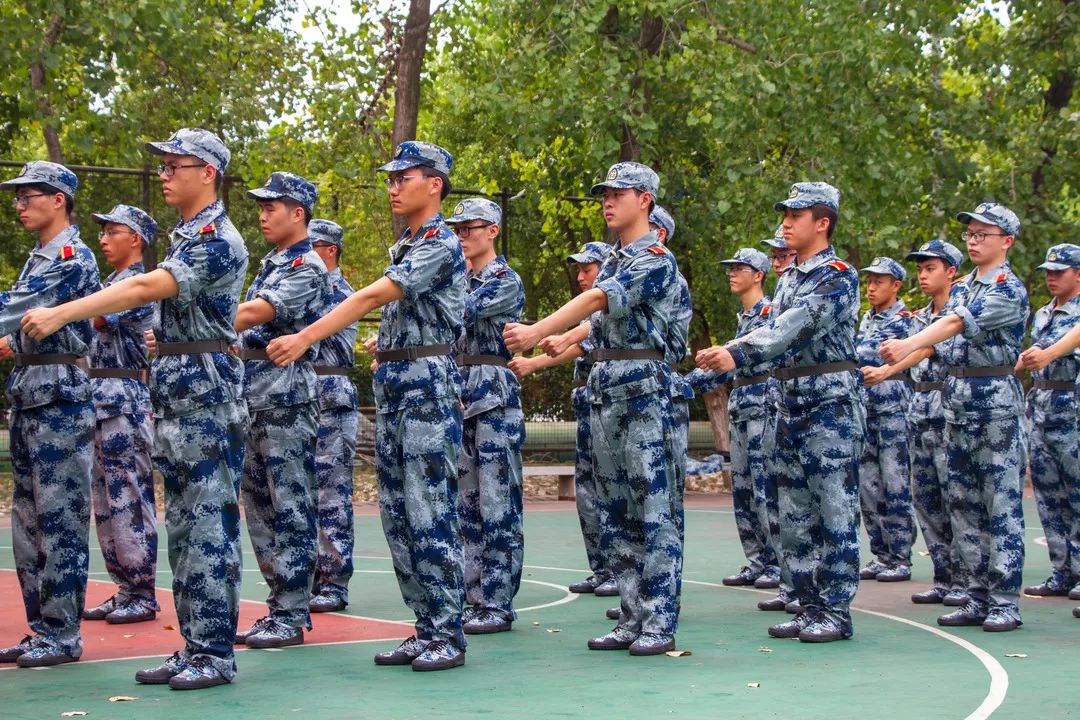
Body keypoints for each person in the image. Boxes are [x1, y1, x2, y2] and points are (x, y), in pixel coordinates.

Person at [23, 127, 250, 687]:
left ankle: (215, 652)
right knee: (183, 526)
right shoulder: (188, 235)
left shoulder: (218, 237)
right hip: (179, 393)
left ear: (209, 173)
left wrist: (61, 313)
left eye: (177, 165)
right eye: (164, 165)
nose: (166, 173)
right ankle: (196, 644)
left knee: (208, 526)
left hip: (206, 395)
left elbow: (147, 288)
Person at [265, 141, 468, 672]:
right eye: (392, 177)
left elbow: (370, 298)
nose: (394, 185)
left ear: (436, 184)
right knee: (398, 514)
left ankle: (447, 631)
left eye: (406, 176)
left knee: (429, 512)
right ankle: (424, 626)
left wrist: (305, 336)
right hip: (399, 390)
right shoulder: (406, 244)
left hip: (426, 393)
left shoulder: (441, 244)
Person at [505, 161, 685, 656]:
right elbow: (599, 316)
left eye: (619, 192)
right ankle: (631, 617)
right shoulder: (616, 259)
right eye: (605, 191)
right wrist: (565, 339)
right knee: (617, 512)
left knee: (654, 511)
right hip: (607, 394)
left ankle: (658, 622)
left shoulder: (654, 258)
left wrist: (539, 330)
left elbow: (599, 300)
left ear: (644, 199)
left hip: (644, 395)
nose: (608, 199)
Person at [696, 182, 864, 643]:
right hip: (788, 402)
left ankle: (835, 610)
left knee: (833, 509)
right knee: (793, 511)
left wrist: (738, 352)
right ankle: (808, 604)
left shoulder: (837, 275)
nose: (785, 223)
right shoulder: (790, 278)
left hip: (828, 403)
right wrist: (716, 362)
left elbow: (792, 327)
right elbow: (770, 331)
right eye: (785, 214)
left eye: (796, 215)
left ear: (822, 222)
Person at [881, 202, 1029, 632]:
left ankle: (1004, 601)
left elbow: (952, 326)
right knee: (963, 504)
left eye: (985, 233)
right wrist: (902, 355)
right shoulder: (965, 287)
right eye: (971, 233)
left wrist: (909, 343)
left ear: (1007, 241)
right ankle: (975, 593)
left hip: (994, 401)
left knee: (1000, 507)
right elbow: (941, 335)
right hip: (956, 402)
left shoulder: (1007, 287)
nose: (975, 239)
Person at [0, 161, 99, 668]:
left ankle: (62, 633)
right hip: (31, 391)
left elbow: (14, 309)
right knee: (29, 521)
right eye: (16, 197)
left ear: (58, 199)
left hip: (59, 398)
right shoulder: (38, 258)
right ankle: (41, 628)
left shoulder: (69, 256)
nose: (19, 204)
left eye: (29, 195)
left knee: (59, 519)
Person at [233, 173, 331, 649]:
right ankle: (279, 604)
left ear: (299, 213)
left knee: (290, 504)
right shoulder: (272, 261)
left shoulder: (307, 265)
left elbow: (258, 313)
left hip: (287, 397)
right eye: (261, 206)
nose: (263, 213)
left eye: (273, 206)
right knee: (258, 503)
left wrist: (202, 318)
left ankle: (292, 612)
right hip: (253, 393)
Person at [509, 242, 618, 598]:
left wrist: (535, 357)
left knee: (611, 489)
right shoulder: (592, 314)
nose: (581, 276)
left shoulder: (610, 308)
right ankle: (602, 568)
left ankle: (619, 569)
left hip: (612, 402)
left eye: (588, 269)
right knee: (588, 489)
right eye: (580, 269)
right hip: (588, 401)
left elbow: (579, 342)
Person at [446, 198, 526, 634]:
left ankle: (496, 601)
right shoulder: (461, 278)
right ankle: (471, 594)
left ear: (492, 230)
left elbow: (458, 313)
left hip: (492, 396)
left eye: (470, 228)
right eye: (457, 230)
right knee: (466, 502)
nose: (462, 236)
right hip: (459, 393)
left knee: (498, 504)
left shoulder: (503, 279)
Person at [81, 204, 159, 625]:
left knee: (128, 496)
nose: (104, 239)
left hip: (123, 397)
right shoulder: (112, 282)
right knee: (106, 501)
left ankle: (142, 590)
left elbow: (91, 319)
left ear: (136, 239)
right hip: (99, 396)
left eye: (114, 232)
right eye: (103, 231)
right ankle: (125, 587)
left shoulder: (135, 285)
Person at [687, 248, 779, 592]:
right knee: (743, 490)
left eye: (741, 268)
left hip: (762, 408)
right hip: (741, 407)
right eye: (731, 267)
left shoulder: (770, 313)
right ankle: (758, 561)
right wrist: (683, 384)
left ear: (758, 275)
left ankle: (776, 563)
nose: (732, 273)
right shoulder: (745, 317)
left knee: (765, 488)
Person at [903, 240, 969, 606]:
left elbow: (928, 350)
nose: (923, 275)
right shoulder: (919, 318)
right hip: (920, 410)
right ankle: (944, 577)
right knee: (926, 498)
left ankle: (965, 579)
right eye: (920, 269)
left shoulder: (960, 315)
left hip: (949, 410)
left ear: (951, 272)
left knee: (955, 498)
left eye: (931, 268)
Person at [1019, 244, 1080, 600]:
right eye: (1048, 271)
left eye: (1060, 271)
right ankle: (1062, 569)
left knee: (1076, 491)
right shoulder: (1043, 313)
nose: (1051, 277)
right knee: (1048, 493)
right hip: (1041, 406)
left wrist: (1048, 354)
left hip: (1070, 408)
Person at [306, 219, 360, 613]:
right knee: (301, 493)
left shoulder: (339, 293)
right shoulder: (303, 287)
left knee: (331, 494)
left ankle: (333, 581)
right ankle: (306, 575)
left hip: (330, 397)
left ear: (330, 251)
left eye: (313, 246)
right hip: (300, 398)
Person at [855, 257, 916, 583]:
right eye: (870, 280)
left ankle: (901, 556)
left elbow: (913, 359)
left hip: (894, 413)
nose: (872, 286)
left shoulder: (906, 321)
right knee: (868, 486)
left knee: (895, 485)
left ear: (896, 285)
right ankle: (881, 554)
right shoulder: (866, 319)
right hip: (866, 413)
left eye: (880, 281)